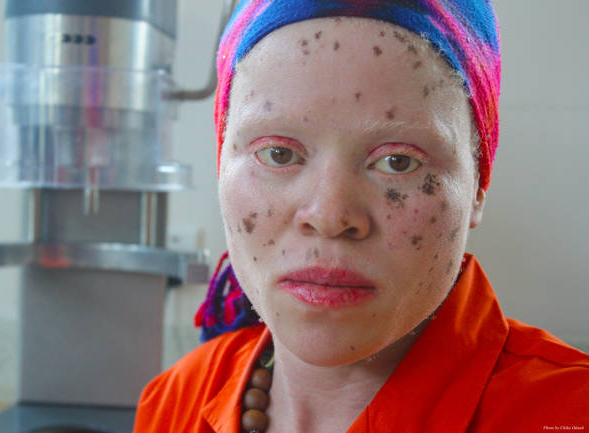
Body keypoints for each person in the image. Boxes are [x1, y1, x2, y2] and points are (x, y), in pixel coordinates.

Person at [133, 1, 589, 432]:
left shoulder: (569, 411)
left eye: (398, 162)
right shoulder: (175, 402)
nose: (330, 216)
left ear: (477, 188)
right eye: (277, 153)